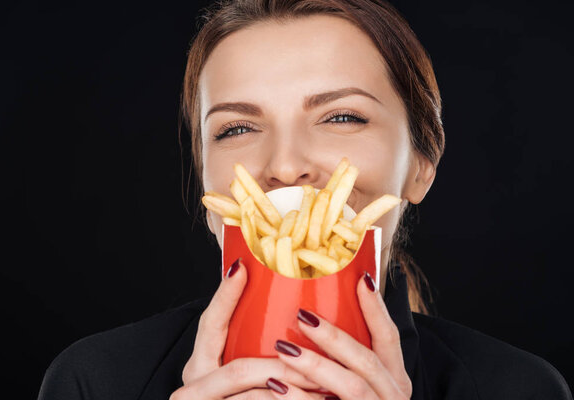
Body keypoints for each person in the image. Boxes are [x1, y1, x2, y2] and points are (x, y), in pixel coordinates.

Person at [38, 0, 573, 399]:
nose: (286, 165)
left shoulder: (519, 389)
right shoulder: (93, 380)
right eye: (237, 128)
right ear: (206, 182)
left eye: (342, 117)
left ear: (421, 166)